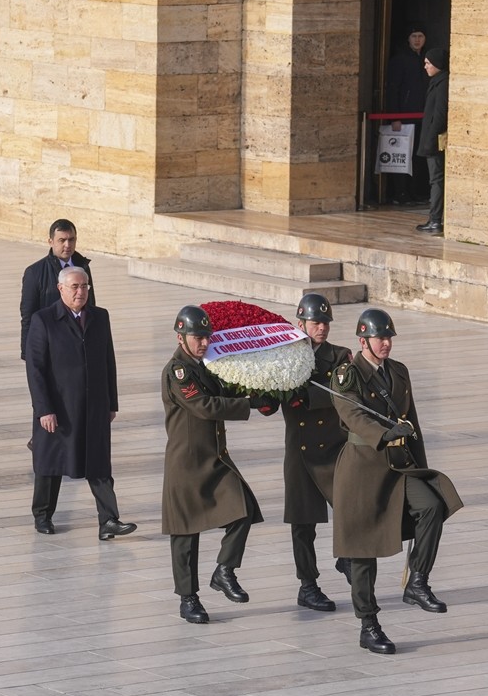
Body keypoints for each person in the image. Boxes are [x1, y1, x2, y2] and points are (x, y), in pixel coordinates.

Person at [330, 308, 464, 654]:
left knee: (433, 504)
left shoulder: (399, 372)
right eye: (379, 338)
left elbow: (412, 422)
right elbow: (353, 415)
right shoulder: (348, 375)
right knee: (361, 552)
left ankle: (417, 581)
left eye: (389, 337)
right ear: (363, 341)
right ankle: (369, 624)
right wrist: (387, 432)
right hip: (361, 469)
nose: (386, 343)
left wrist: (420, 464)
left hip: (397, 467)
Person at [161, 305, 277, 624]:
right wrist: (246, 405)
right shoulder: (177, 371)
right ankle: (188, 599)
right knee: (185, 533)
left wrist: (260, 392)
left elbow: (226, 389)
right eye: (197, 337)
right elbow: (203, 405)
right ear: (181, 337)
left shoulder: (207, 366)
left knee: (244, 509)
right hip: (186, 463)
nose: (203, 343)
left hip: (214, 458)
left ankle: (224, 570)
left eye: (206, 337)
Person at [25, 266, 134, 540]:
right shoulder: (44, 320)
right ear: (60, 288)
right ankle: (43, 515)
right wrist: (44, 409)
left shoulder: (100, 317)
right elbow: (35, 369)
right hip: (59, 409)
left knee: (99, 464)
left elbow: (109, 360)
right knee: (51, 464)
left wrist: (112, 402)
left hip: (94, 406)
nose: (80, 291)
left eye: (84, 286)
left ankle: (109, 520)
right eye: (74, 286)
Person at [281, 293, 352, 612]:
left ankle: (348, 557)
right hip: (299, 449)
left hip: (334, 447)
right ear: (301, 324)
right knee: (303, 522)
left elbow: (343, 394)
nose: (322, 327)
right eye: (315, 322)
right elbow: (274, 396)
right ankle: (307, 585)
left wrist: (305, 395)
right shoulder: (285, 357)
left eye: (325, 322)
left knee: (351, 508)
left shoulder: (340, 355)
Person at [19, 218, 96, 360]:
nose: (67, 245)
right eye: (62, 240)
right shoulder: (34, 273)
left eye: (71, 240)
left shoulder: (83, 267)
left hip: (80, 343)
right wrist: (27, 352)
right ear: (51, 242)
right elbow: (28, 316)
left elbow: (90, 305)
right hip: (51, 343)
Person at [384, 24, 430, 206]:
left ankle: (415, 191)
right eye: (414, 36)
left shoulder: (425, 59)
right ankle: (400, 192)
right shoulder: (400, 59)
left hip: (421, 115)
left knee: (418, 156)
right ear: (408, 39)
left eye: (420, 36)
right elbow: (393, 90)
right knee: (402, 155)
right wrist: (394, 116)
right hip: (404, 117)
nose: (417, 40)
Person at [416, 47, 449, 235]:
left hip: (434, 140)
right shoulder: (437, 82)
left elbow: (439, 114)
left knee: (436, 179)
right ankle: (434, 218)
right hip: (431, 138)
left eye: (428, 63)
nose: (425, 66)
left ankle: (435, 219)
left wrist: (431, 138)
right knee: (435, 178)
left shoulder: (442, 84)